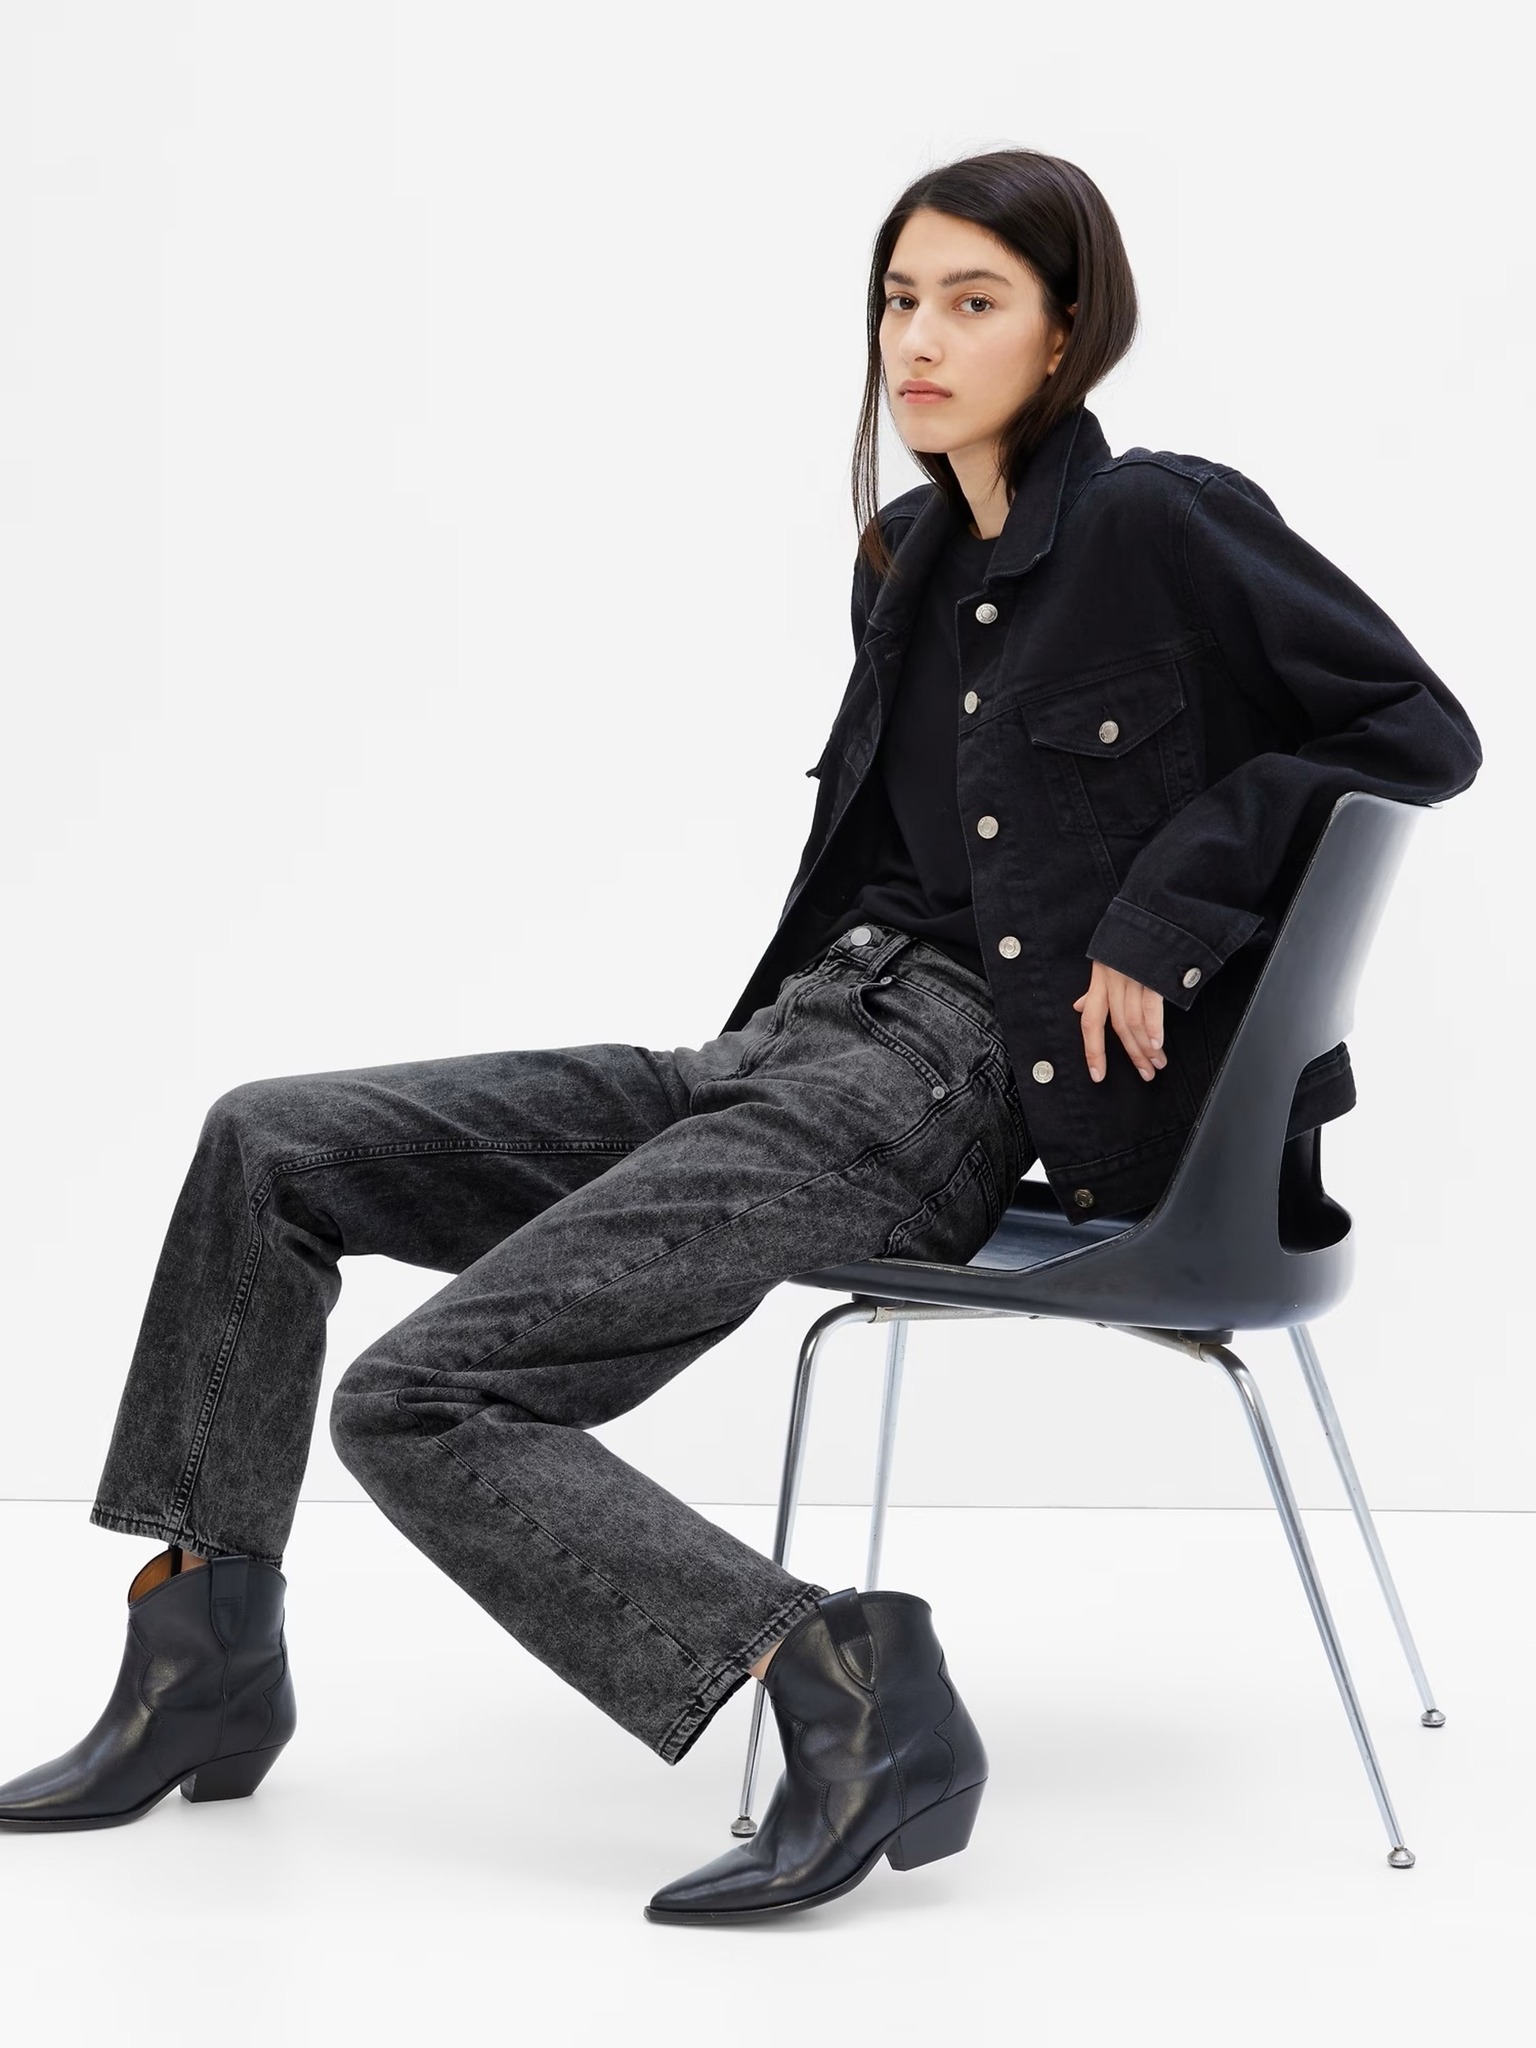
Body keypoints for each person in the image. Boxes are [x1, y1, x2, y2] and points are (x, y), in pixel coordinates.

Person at [0, 149, 1482, 1925]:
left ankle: (841, 1680)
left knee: (423, 1399)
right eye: (898, 300)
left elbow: (1415, 727)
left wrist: (1166, 914)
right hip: (790, 1046)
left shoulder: (1161, 522)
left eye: (973, 303)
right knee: (272, 1144)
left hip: (934, 1090)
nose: (916, 342)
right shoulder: (910, 557)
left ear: (1068, 330)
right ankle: (204, 1662)